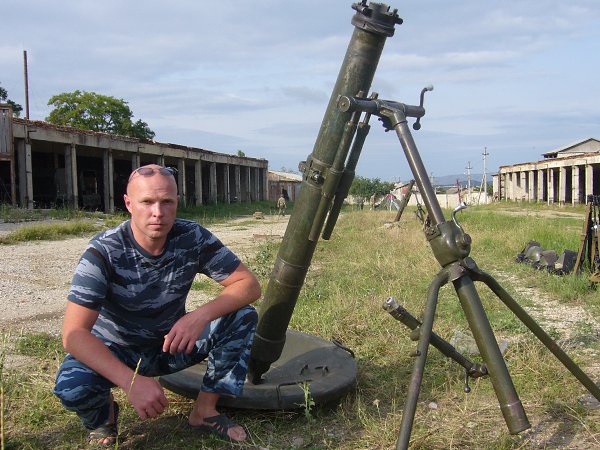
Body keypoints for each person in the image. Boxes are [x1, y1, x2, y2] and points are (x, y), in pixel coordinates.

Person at [53, 164, 261, 445]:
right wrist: (130, 382)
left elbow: (248, 285)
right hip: (117, 351)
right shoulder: (103, 252)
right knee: (72, 387)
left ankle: (205, 411)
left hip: (170, 344)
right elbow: (74, 334)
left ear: (177, 202)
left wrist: (199, 316)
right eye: (147, 202)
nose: (158, 213)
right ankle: (104, 417)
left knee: (242, 316)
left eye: (167, 202)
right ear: (128, 204)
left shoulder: (191, 237)